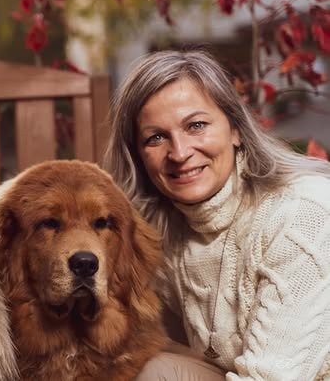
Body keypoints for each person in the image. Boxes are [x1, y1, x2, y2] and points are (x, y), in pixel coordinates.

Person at [104, 49, 330, 380]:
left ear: (236, 129)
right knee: (151, 368)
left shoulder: (302, 212)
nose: (179, 153)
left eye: (196, 125)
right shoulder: (165, 231)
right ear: (138, 156)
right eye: (156, 137)